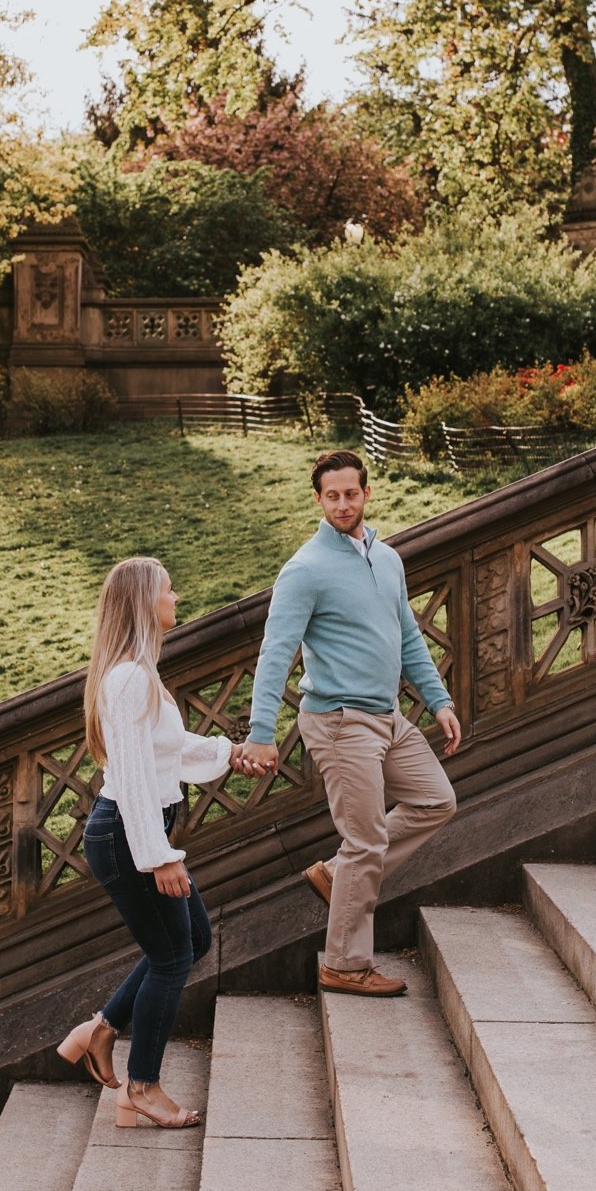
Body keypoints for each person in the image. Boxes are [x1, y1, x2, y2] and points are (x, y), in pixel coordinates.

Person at [242, 450, 461, 995]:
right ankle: (343, 963)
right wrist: (261, 733)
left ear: (366, 493)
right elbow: (276, 653)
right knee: (365, 842)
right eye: (332, 495)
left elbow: (408, 636)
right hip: (339, 721)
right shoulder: (305, 570)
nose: (343, 503)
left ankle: (339, 875)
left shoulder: (387, 559)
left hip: (387, 716)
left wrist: (439, 701)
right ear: (318, 500)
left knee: (437, 800)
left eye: (351, 493)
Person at [57, 556, 246, 1128]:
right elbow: (135, 776)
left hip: (135, 832)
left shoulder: (137, 673)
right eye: (168, 589)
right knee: (172, 956)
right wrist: (160, 857)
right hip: (128, 836)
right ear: (146, 602)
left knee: (193, 937)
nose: (177, 596)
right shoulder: (130, 679)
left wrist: (227, 754)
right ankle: (141, 1087)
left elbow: (168, 750)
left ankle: (101, 1030)